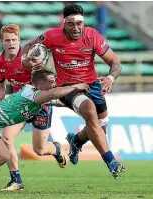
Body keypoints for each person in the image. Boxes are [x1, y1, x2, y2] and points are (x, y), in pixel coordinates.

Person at [21, 4, 125, 179]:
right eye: (71, 24)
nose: (76, 28)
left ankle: (76, 140)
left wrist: (110, 78)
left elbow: (116, 63)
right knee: (89, 109)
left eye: (79, 23)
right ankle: (111, 162)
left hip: (93, 85)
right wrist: (26, 61)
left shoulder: (92, 35)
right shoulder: (52, 36)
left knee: (100, 128)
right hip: (68, 87)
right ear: (64, 23)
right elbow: (28, 45)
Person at [0, 24, 66, 191]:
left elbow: (48, 76)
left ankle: (55, 149)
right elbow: (0, 86)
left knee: (39, 150)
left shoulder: (30, 56)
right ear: (1, 42)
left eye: (14, 40)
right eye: (7, 40)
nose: (11, 43)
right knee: (6, 139)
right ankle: (16, 180)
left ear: (19, 41)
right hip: (20, 104)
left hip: (40, 104)